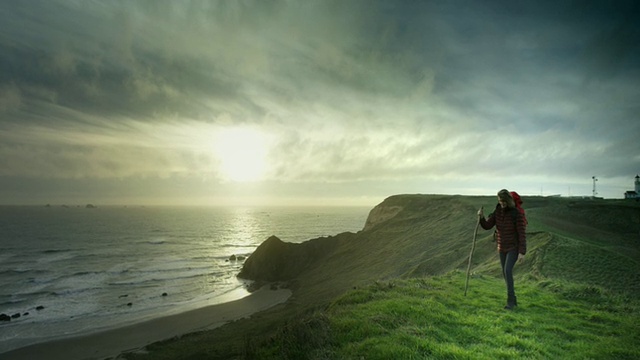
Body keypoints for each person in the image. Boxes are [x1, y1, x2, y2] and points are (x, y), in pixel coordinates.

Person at [477, 189, 527, 310]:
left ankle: (510, 302)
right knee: (505, 273)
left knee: (508, 271)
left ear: (508, 200)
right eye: (500, 200)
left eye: (504, 201)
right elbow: (488, 226)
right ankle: (513, 299)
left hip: (513, 247)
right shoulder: (498, 211)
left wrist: (522, 252)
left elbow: (521, 233)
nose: (502, 203)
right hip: (502, 247)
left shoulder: (516, 213)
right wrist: (482, 218)